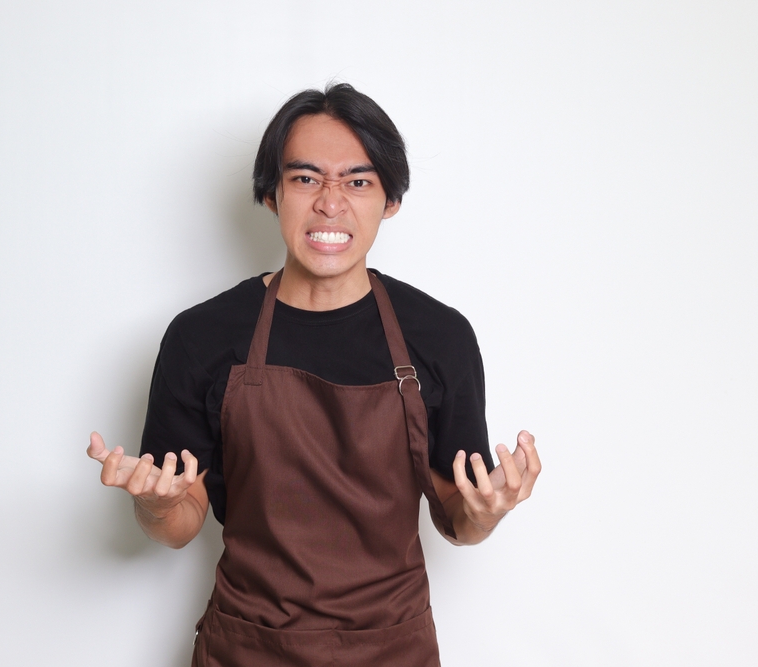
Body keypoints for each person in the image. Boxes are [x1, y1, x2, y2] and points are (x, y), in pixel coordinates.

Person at [87, 83, 541, 666]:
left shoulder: (439, 337)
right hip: (247, 650)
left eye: (358, 181)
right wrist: (154, 505)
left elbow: (460, 514)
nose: (331, 203)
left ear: (391, 199)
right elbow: (178, 522)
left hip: (392, 651)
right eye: (305, 179)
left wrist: (482, 515)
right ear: (273, 195)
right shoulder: (201, 336)